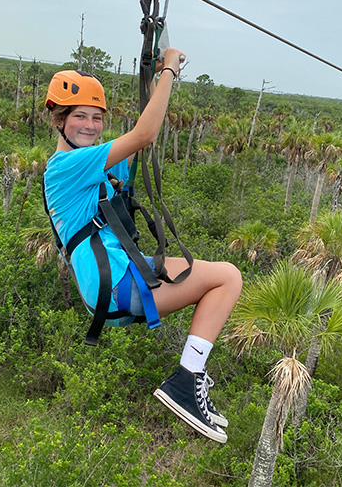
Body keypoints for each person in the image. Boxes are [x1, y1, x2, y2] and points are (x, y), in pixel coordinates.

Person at [43, 47, 242, 443]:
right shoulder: (67, 166)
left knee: (218, 277)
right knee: (227, 278)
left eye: (96, 118)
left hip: (115, 285)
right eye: (79, 116)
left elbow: (140, 137)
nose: (90, 125)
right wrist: (169, 68)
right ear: (59, 120)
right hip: (118, 285)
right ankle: (187, 380)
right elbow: (145, 134)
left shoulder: (95, 159)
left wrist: (151, 74)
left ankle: (190, 379)